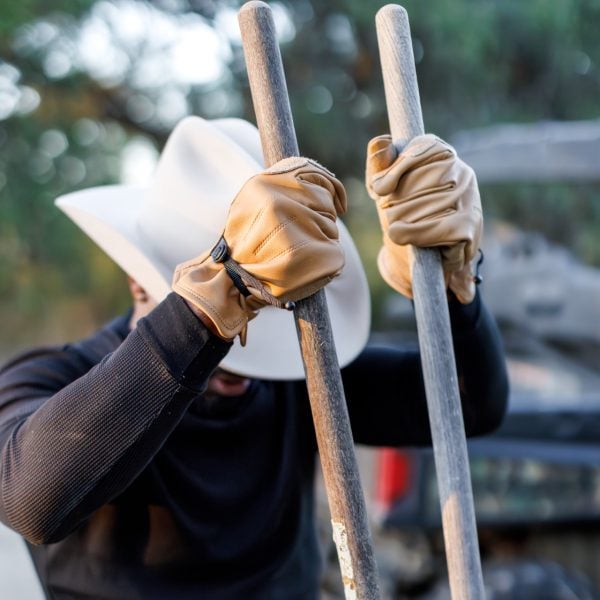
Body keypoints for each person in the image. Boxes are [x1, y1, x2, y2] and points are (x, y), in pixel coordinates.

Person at [0, 116, 508, 599]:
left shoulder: (294, 376)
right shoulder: (55, 376)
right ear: (139, 280)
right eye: (247, 314)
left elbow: (467, 402)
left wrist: (453, 292)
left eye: (272, 309)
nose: (253, 354)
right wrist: (220, 296)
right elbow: (32, 501)